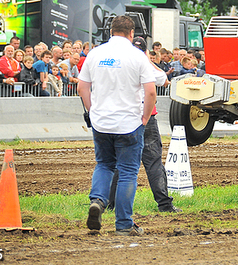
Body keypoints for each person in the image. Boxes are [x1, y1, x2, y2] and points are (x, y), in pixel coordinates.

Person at [78, 15, 156, 236]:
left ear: (111, 31)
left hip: (101, 122)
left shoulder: (95, 54)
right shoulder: (137, 56)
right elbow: (151, 91)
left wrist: (92, 111)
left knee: (104, 164)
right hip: (129, 123)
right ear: (132, 34)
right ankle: (123, 223)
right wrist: (145, 117)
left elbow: (82, 88)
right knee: (128, 172)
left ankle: (98, 201)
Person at [107, 37, 181, 214]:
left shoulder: (118, 63)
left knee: (120, 162)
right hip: (146, 118)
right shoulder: (145, 64)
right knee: (154, 162)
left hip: (124, 117)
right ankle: (164, 204)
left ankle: (110, 204)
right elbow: (163, 79)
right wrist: (148, 61)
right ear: (146, 51)